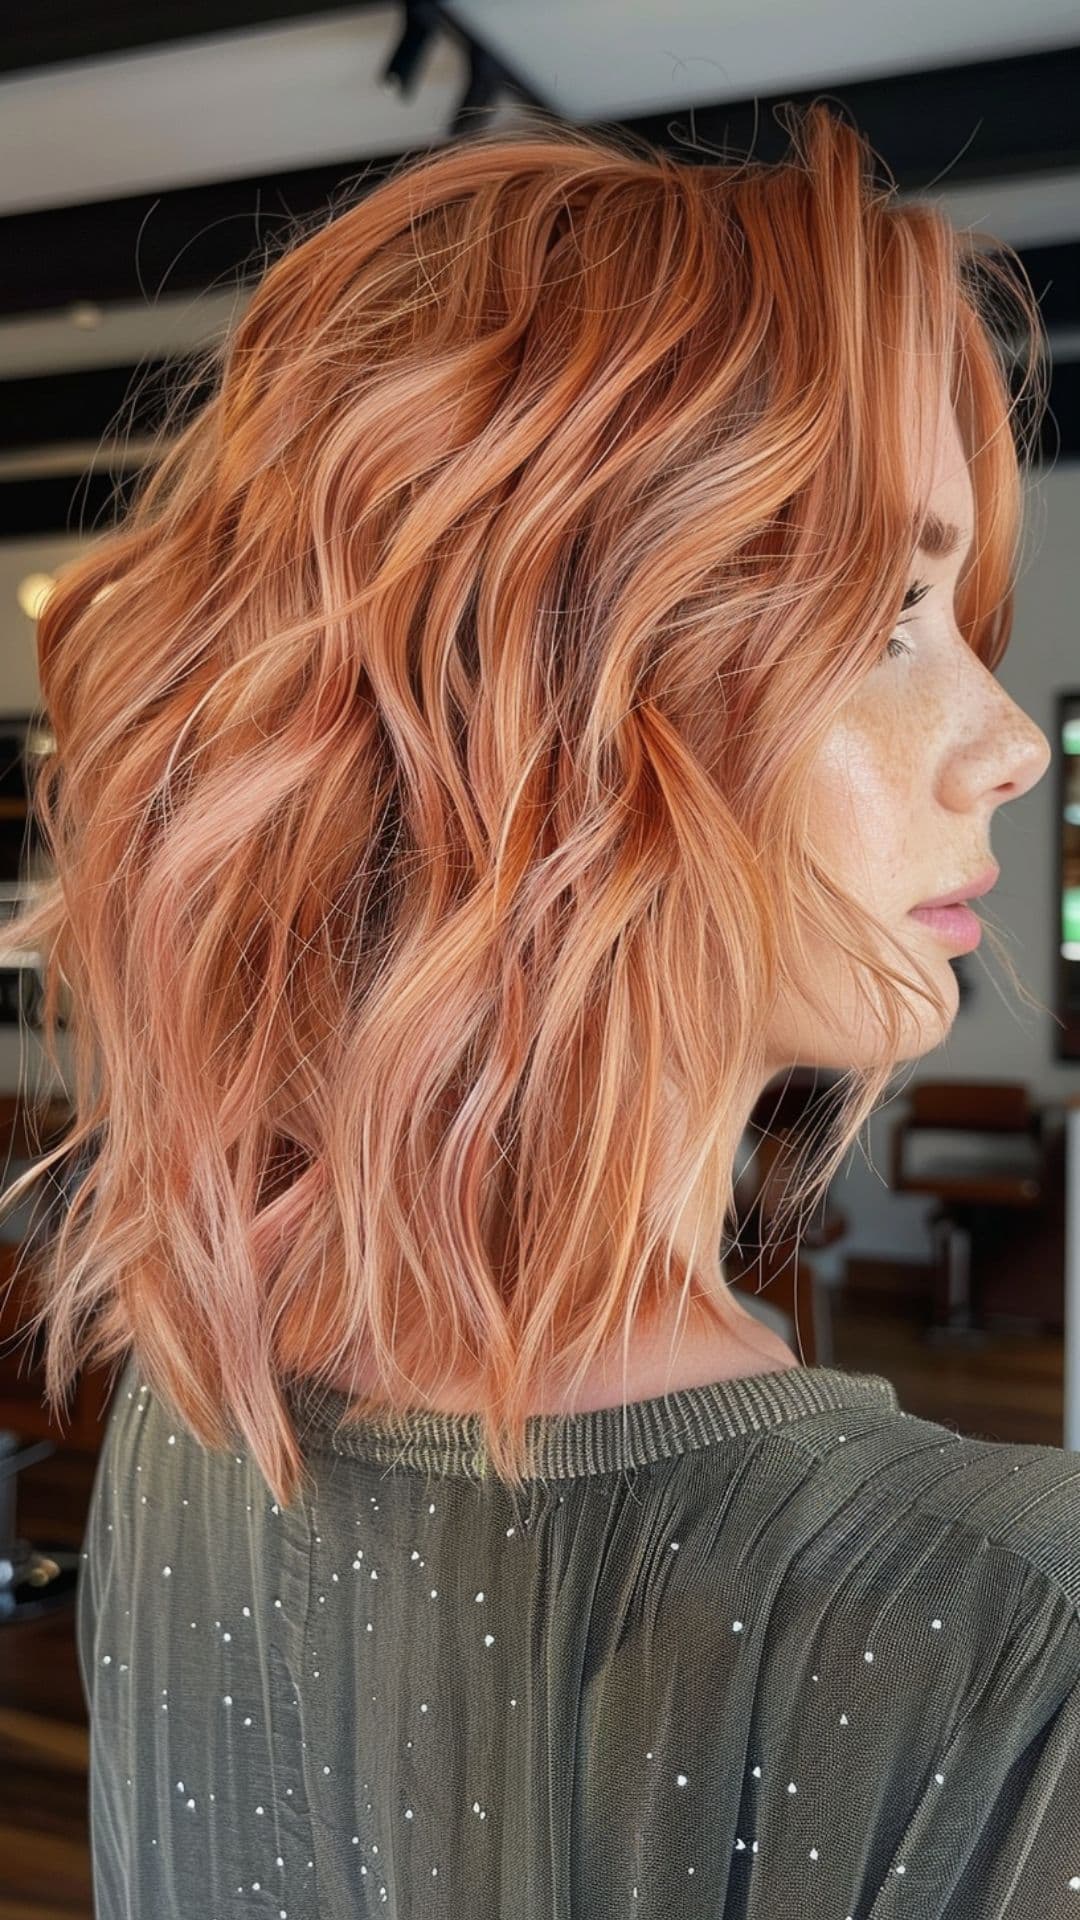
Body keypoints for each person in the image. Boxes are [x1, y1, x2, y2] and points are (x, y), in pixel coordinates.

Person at [9, 106, 1078, 1916]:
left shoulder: (192, 1418)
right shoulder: (1009, 1627)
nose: (1012, 740)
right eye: (886, 614)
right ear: (564, 715)